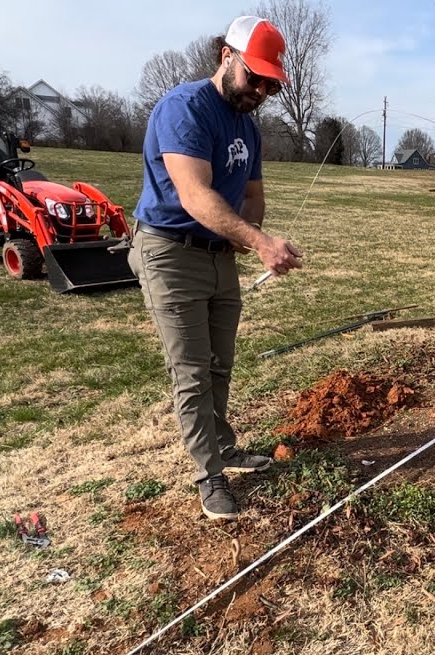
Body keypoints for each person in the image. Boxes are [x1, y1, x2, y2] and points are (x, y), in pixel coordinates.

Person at [128, 16, 304, 520]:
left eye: (271, 85)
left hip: (219, 254)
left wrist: (255, 237)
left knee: (220, 364)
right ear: (227, 58)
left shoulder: (248, 127)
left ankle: (224, 448)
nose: (262, 91)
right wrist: (258, 241)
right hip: (170, 252)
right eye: (255, 78)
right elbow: (195, 195)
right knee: (191, 371)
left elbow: (252, 196)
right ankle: (209, 474)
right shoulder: (184, 109)